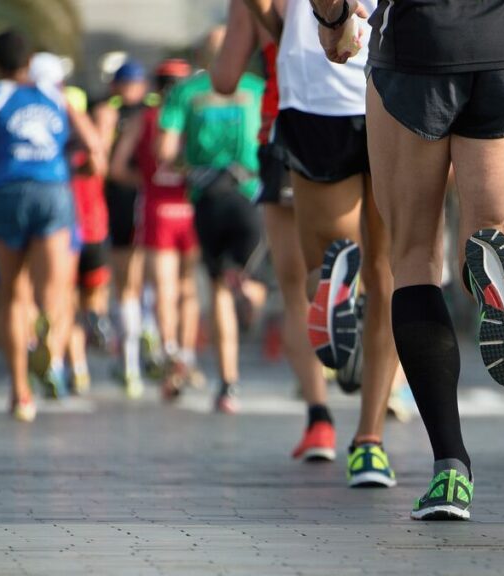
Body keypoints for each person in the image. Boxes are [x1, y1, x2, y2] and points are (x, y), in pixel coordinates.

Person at [313, 0, 504, 518]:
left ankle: (451, 468)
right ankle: (498, 271)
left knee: (413, 255)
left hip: (418, 44)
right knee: (496, 237)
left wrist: (332, 18)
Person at [243, 0, 400, 488]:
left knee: (324, 263)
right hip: (399, 81)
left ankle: (336, 290)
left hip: (312, 89)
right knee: (390, 272)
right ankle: (370, 444)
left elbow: (269, 17)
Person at [0, 30, 105, 422]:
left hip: (7, 191)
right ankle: (50, 343)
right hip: (52, 191)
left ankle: (21, 394)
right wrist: (87, 167)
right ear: (29, 62)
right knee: (54, 291)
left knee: (12, 293)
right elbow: (93, 145)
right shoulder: (56, 95)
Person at [213, 0, 335, 461]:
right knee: (381, 266)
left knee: (295, 289)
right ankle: (371, 434)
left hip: (285, 123)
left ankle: (319, 421)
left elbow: (225, 79)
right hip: (364, 117)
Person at [156, 28, 265, 414]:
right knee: (252, 275)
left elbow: (164, 151)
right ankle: (251, 293)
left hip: (208, 198)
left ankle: (227, 386)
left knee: (217, 288)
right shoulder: (258, 87)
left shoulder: (185, 92)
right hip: (251, 196)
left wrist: (191, 165)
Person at [109, 59, 200, 399]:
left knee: (162, 288)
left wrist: (146, 181)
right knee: (187, 287)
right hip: (191, 207)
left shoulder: (143, 119)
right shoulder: (194, 117)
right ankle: (186, 357)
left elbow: (116, 168)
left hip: (156, 209)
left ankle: (170, 351)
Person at [94, 60, 150, 396]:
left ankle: (129, 363)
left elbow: (105, 165)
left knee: (125, 286)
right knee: (152, 282)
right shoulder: (154, 112)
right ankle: (153, 338)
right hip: (150, 202)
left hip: (120, 202)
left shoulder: (107, 112)